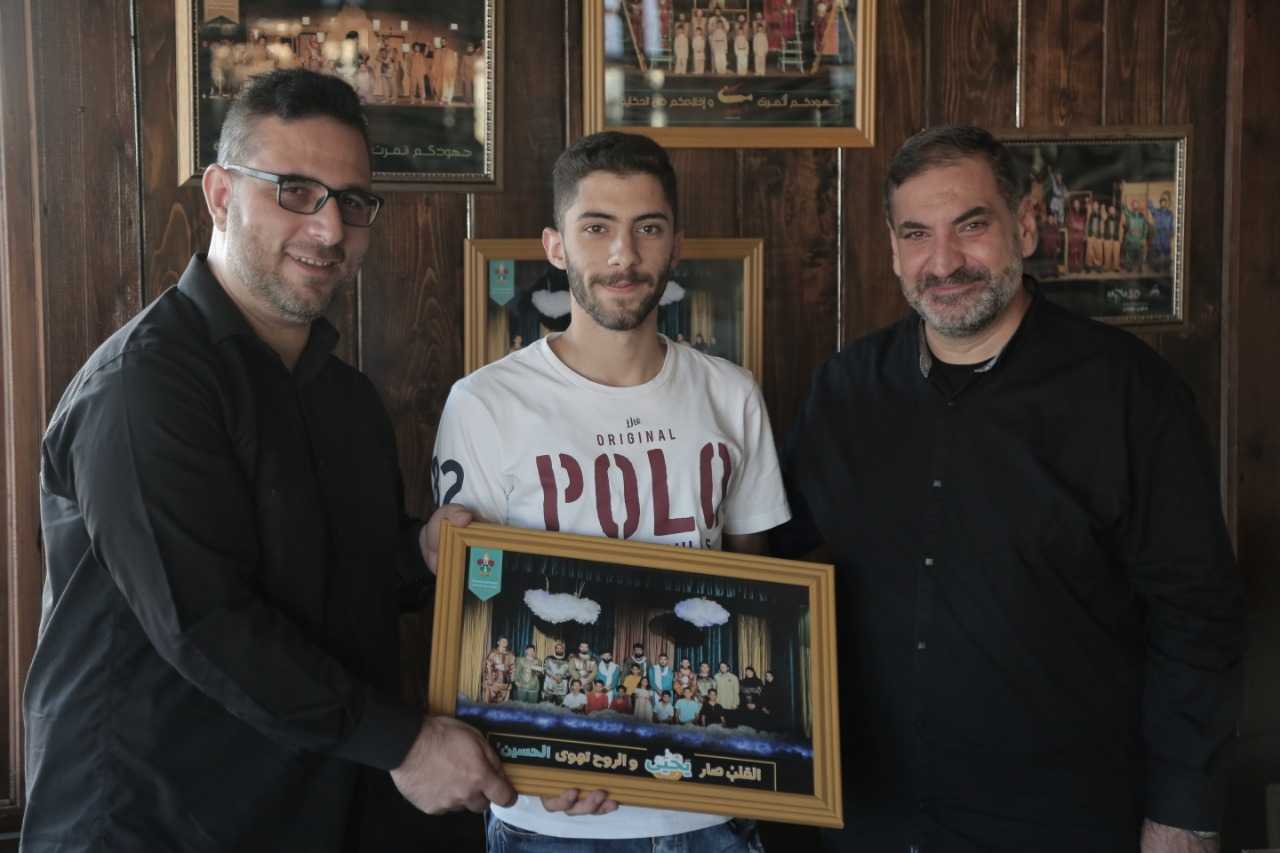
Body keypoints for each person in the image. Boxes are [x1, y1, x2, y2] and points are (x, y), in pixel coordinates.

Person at [21, 69, 516, 852]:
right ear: (221, 195)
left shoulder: (347, 399)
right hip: (147, 821)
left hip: (312, 810)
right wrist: (405, 743)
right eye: (295, 192)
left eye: (352, 201)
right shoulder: (142, 386)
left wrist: (420, 552)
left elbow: (328, 576)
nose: (329, 229)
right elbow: (205, 621)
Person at [775, 124, 1243, 852]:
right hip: (872, 818)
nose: (943, 262)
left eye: (971, 226)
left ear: (1023, 225)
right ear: (894, 248)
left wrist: (1183, 815)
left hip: (1061, 820)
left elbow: (1196, 614)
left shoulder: (1128, 392)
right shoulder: (844, 392)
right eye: (917, 234)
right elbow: (764, 559)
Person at [433, 130, 788, 851]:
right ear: (556, 246)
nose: (623, 255)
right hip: (549, 814)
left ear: (676, 245)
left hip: (707, 811)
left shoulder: (732, 394)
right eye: (596, 228)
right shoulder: (484, 402)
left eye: (647, 228)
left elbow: (755, 583)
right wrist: (528, 755)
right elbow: (468, 603)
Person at [482, 637, 516, 703]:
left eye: (506, 641)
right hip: (494, 682)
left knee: (503, 703)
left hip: (505, 683)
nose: (504, 643)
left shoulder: (511, 655)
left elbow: (513, 667)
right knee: (489, 702)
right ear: (498, 642)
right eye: (503, 641)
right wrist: (496, 667)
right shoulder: (493, 653)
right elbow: (487, 666)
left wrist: (511, 676)